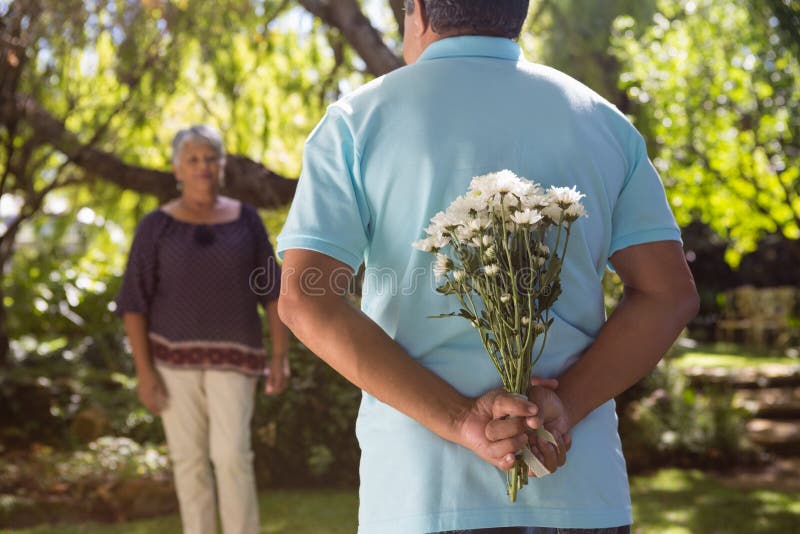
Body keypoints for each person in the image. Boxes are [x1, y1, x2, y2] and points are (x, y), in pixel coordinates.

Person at [276, 1, 699, 533]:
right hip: (577, 489)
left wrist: (460, 420)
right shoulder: (601, 121)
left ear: (421, 11)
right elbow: (667, 295)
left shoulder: (358, 120)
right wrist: (564, 405)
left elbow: (305, 299)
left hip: (422, 493)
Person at [116, 124, 289, 534]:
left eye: (211, 158)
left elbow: (273, 292)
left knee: (231, 456)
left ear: (223, 165)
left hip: (237, 356)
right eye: (193, 160)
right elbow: (133, 303)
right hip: (172, 361)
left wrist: (280, 356)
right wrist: (144, 373)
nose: (203, 167)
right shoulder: (155, 226)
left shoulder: (245, 219)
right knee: (188, 461)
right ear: (177, 169)